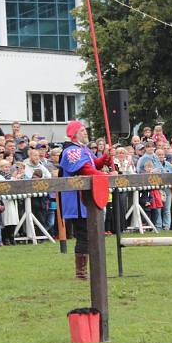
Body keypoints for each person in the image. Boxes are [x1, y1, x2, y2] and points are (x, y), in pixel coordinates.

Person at [58, 120, 111, 280]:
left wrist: (106, 157)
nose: (85, 132)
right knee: (83, 234)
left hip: (86, 198)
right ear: (74, 134)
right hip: (76, 199)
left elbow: (94, 164)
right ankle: (81, 273)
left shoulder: (84, 149)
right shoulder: (71, 151)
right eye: (82, 131)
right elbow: (85, 169)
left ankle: (92, 269)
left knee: (92, 233)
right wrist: (106, 177)